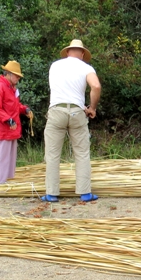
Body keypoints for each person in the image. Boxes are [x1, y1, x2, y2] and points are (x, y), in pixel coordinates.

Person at [42, 39, 101, 203]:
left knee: (53, 154)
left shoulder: (55, 65)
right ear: (82, 54)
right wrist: (92, 108)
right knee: (82, 153)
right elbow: (96, 86)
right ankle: (85, 193)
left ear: (68, 52)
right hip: (77, 111)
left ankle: (51, 193)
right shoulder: (86, 68)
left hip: (56, 110)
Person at [0, 60, 33, 187]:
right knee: (2, 155)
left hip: (11, 127)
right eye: (16, 75)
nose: (18, 78)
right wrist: (7, 119)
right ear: (8, 74)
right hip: (3, 127)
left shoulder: (10, 87)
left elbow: (14, 105)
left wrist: (24, 109)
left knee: (9, 155)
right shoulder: (0, 86)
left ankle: (4, 180)